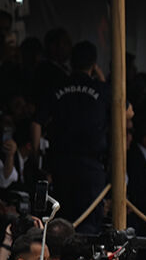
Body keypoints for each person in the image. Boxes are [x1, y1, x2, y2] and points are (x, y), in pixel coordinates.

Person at [46, 41, 110, 231]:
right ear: (94, 65)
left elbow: (37, 122)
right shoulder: (101, 89)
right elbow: (127, 111)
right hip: (90, 165)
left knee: (63, 220)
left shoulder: (57, 86)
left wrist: (37, 156)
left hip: (61, 163)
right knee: (89, 224)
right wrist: (101, 80)